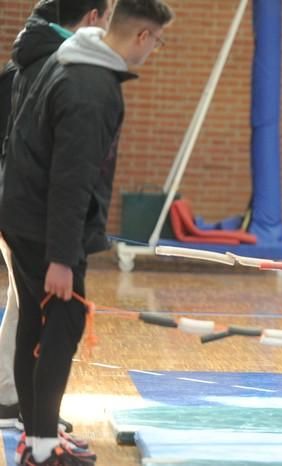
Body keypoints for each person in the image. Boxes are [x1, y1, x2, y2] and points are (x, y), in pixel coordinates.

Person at [0, 0, 173, 463]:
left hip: (23, 217)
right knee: (58, 328)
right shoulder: (91, 85)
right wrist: (61, 255)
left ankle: (35, 439)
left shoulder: (66, 58)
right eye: (157, 41)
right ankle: (41, 448)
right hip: (43, 227)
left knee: (36, 327)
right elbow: (71, 176)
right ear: (141, 36)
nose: (155, 49)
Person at [0, 0, 112, 435]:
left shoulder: (27, 62)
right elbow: (57, 161)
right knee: (40, 312)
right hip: (28, 210)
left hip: (21, 206)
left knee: (24, 305)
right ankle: (27, 414)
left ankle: (25, 412)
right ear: (91, 18)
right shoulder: (52, 69)